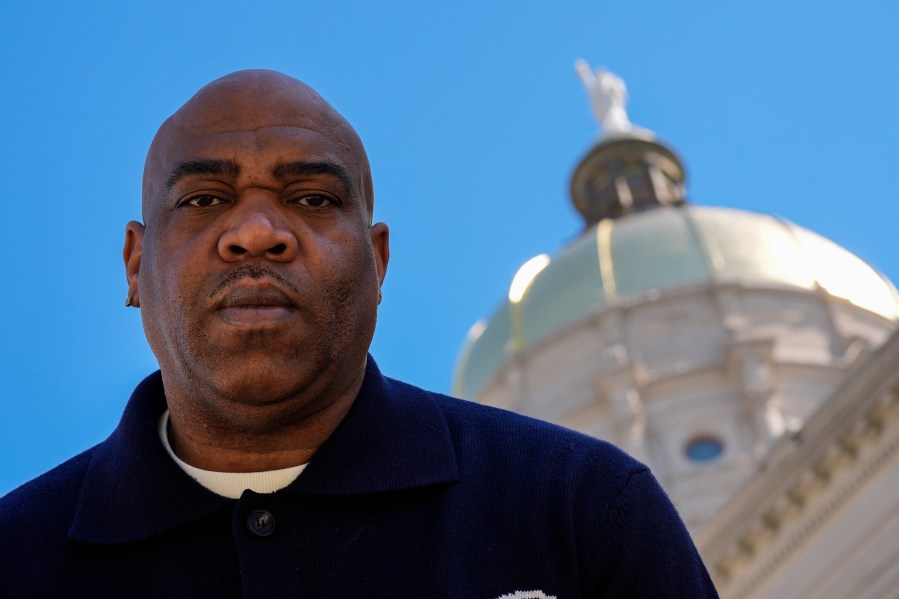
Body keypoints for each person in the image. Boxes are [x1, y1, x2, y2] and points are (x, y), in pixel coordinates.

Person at [0, 70, 718, 598]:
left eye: (311, 198)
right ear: (135, 264)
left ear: (376, 263)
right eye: (203, 199)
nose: (255, 232)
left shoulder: (580, 507)